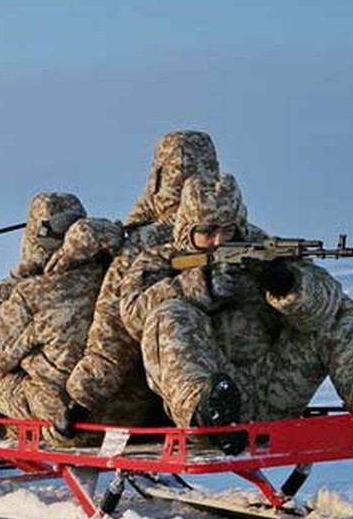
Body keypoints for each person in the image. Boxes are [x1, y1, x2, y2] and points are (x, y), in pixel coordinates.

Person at [122, 172, 353, 452]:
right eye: (207, 231)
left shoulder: (264, 247)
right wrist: (200, 285)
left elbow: (327, 296)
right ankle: (208, 414)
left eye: (228, 230)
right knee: (170, 315)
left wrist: (287, 285)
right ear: (186, 231)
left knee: (334, 310)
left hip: (274, 388)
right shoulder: (160, 260)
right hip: (210, 398)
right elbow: (134, 314)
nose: (219, 241)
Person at [67, 130, 252, 428]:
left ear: (158, 177)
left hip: (152, 395)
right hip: (213, 381)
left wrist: (83, 396)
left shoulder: (142, 241)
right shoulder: (238, 233)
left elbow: (112, 328)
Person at [0, 206, 121, 445]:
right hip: (131, 413)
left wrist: (19, 281)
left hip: (69, 420)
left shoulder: (38, 293)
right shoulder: (120, 279)